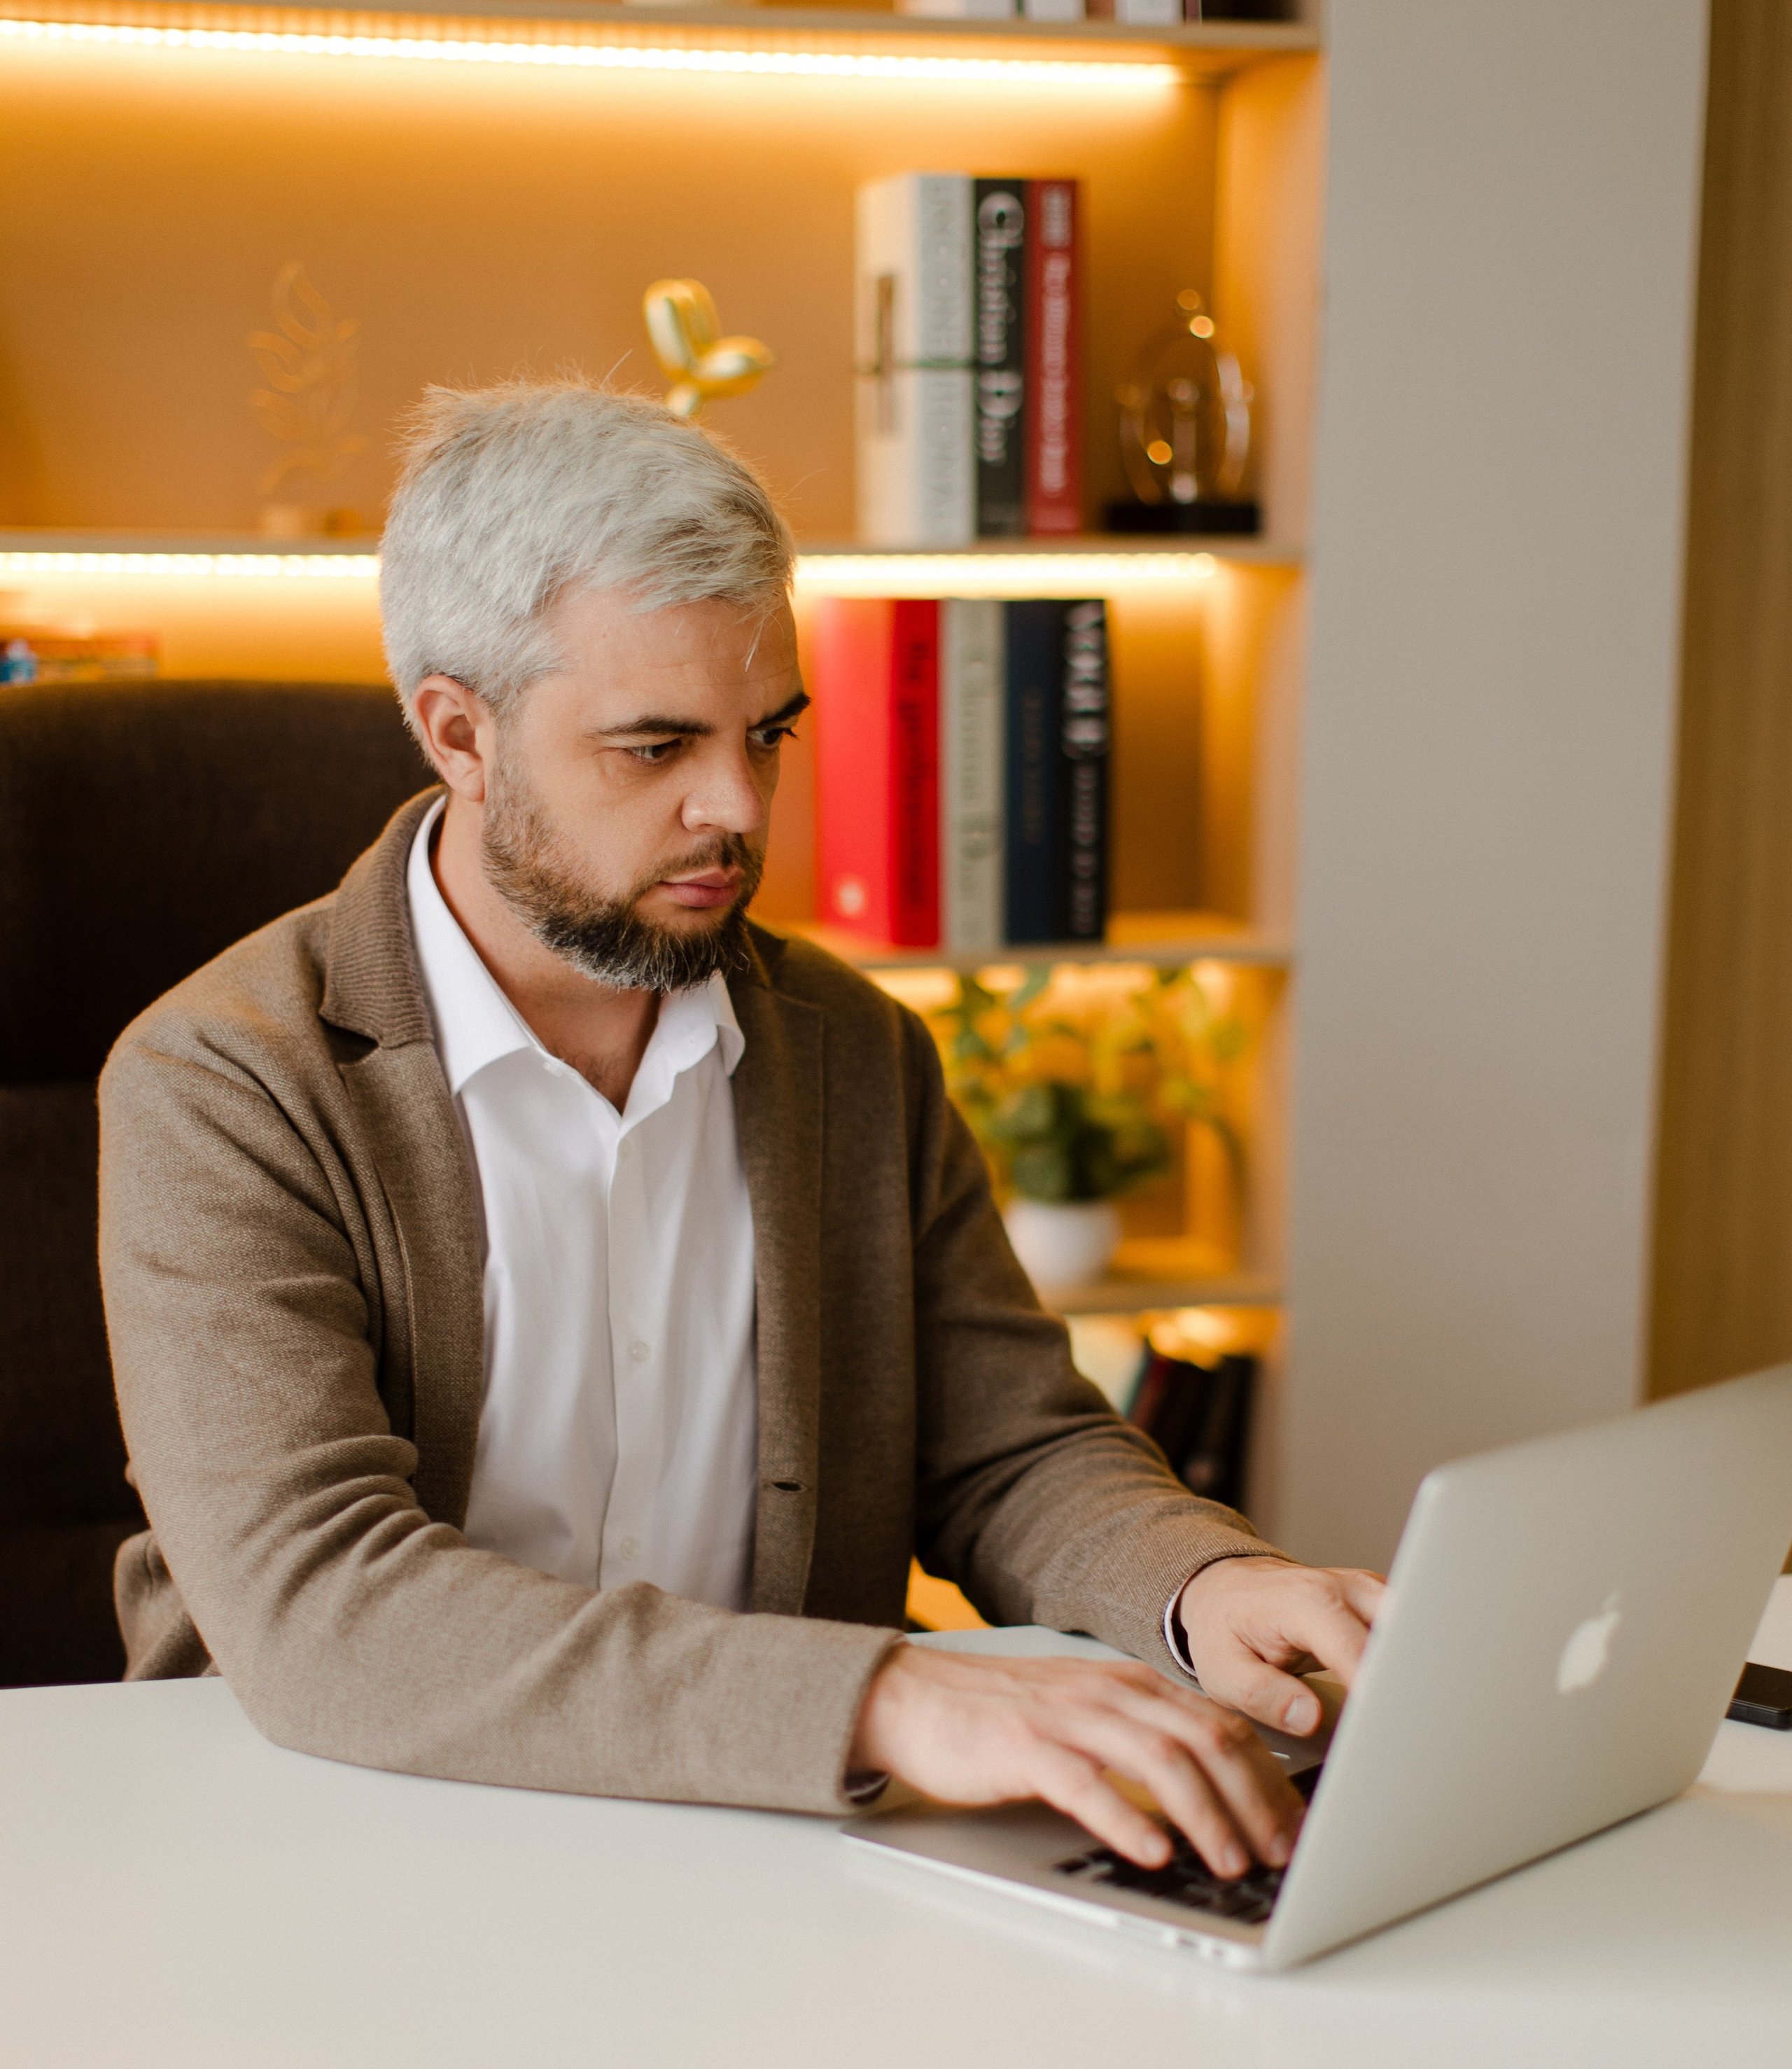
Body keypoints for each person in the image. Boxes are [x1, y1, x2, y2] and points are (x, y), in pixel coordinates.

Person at [99, 382, 1380, 1882]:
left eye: (765, 734)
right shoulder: (226, 1081)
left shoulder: (849, 1050)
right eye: (654, 749)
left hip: (771, 1851)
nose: (738, 808)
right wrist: (885, 1697)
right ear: (459, 731)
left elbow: (1002, 1448)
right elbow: (323, 1607)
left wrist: (1201, 1582)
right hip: (351, 1848)